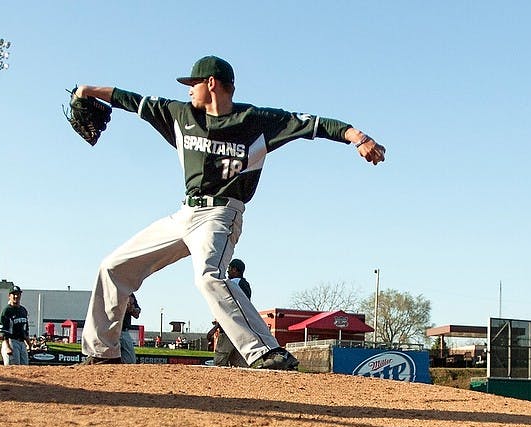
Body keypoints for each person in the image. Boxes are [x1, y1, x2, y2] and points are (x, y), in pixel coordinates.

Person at [75, 55, 385, 368]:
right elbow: (129, 99)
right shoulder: (178, 113)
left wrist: (359, 138)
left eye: (193, 83)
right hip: (184, 213)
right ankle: (102, 353)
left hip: (221, 214)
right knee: (113, 266)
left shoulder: (255, 120)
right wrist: (88, 91)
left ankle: (266, 351)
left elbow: (314, 125)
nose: (188, 90)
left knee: (208, 276)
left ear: (211, 83)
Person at [213, 258, 251, 367]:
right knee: (239, 362)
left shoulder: (231, 284)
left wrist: (216, 327)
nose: (228, 271)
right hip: (243, 328)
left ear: (235, 269)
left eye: (229, 268)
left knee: (220, 360)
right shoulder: (245, 284)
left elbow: (228, 308)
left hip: (229, 328)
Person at [0, 286, 31, 365]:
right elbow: (3, 331)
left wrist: (28, 343)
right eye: (14, 294)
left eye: (18, 294)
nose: (16, 296)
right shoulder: (7, 310)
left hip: (22, 342)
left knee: (25, 367)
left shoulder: (23, 310)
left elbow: (25, 329)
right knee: (13, 368)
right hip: (11, 341)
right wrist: (7, 347)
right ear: (9, 296)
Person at [120, 292, 141, 364]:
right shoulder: (112, 290)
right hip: (110, 331)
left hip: (124, 331)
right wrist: (126, 306)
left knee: (130, 360)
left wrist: (132, 307)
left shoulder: (130, 292)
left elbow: (136, 314)